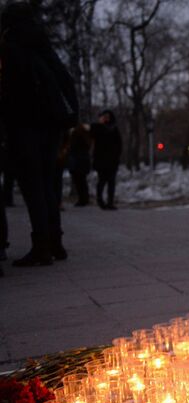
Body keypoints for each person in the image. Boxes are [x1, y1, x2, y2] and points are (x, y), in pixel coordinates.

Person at [0, 2, 78, 267]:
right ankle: (56, 242)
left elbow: (9, 92)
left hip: (25, 125)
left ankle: (41, 246)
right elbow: (65, 79)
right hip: (52, 124)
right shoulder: (42, 44)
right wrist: (69, 119)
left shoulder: (10, 47)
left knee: (32, 186)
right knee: (49, 183)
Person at [90, 110, 122, 210]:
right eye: (105, 116)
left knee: (111, 182)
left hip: (112, 160)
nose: (106, 118)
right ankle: (100, 201)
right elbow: (92, 132)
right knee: (102, 181)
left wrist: (117, 156)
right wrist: (100, 123)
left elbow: (119, 144)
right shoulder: (98, 128)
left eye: (108, 116)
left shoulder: (114, 129)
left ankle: (110, 202)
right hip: (101, 160)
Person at [68, 124, 91, 206]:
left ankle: (83, 199)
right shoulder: (86, 136)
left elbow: (72, 149)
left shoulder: (76, 137)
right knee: (82, 181)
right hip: (83, 162)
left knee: (79, 182)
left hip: (78, 162)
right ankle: (84, 198)